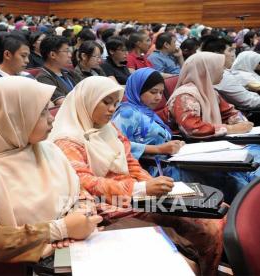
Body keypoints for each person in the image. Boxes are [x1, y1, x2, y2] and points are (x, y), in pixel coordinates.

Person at [48, 76, 225, 275]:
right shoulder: (67, 140)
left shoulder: (108, 128)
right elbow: (86, 183)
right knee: (207, 226)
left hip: (134, 195)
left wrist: (152, 185)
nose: (112, 109)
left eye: (115, 103)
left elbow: (130, 162)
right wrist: (140, 189)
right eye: (106, 102)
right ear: (86, 101)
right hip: (106, 204)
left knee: (218, 213)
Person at [0, 76, 102, 262]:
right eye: (42, 112)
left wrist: (82, 217)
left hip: (73, 246)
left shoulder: (48, 149)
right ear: (13, 118)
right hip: (28, 264)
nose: (51, 118)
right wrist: (60, 229)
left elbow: (80, 193)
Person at [165, 52, 260, 198]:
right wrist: (231, 129)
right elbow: (193, 128)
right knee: (244, 178)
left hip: (217, 144)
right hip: (196, 151)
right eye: (219, 68)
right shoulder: (185, 96)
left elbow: (229, 112)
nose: (223, 71)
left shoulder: (209, 90)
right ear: (207, 70)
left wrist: (241, 122)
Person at [36, 35, 82, 105]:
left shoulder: (67, 72)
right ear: (52, 55)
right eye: (66, 51)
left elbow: (87, 86)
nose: (70, 55)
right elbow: (63, 103)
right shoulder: (43, 78)